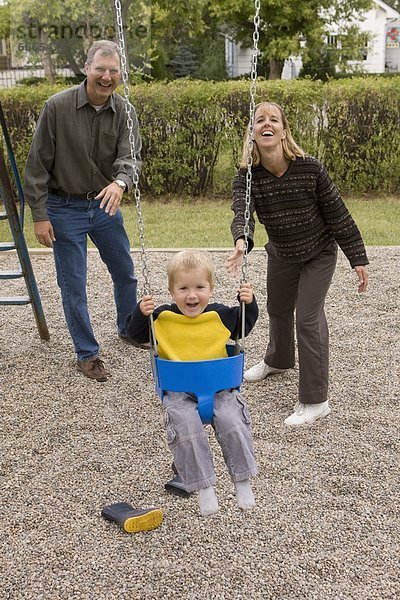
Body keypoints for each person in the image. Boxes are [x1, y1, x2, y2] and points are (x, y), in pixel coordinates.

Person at [228, 101, 369, 427]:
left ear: (283, 131)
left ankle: (316, 399)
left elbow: (338, 214)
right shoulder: (248, 176)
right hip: (282, 252)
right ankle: (278, 361)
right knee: (278, 310)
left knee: (307, 318)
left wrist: (357, 257)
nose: (267, 123)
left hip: (318, 252)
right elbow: (242, 213)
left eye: (273, 119)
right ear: (252, 134)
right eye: (259, 119)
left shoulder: (310, 168)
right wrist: (240, 242)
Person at [24, 40, 142, 383]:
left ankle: (129, 328)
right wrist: (40, 215)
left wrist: (120, 183)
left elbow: (131, 158)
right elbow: (36, 166)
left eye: (113, 71)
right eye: (100, 69)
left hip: (105, 203)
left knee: (125, 270)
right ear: (87, 70)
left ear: (119, 75)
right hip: (64, 207)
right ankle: (87, 354)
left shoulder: (125, 112)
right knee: (73, 285)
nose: (106, 77)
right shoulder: (57, 107)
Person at [125, 250, 259, 517]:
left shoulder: (221, 315)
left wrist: (250, 303)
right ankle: (204, 487)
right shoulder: (161, 317)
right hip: (178, 392)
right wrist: (141, 312)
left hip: (221, 389)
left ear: (211, 288)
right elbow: (133, 333)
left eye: (199, 287)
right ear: (171, 291)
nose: (192, 295)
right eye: (183, 288)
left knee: (233, 421)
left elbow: (244, 326)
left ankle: (242, 481)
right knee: (185, 427)